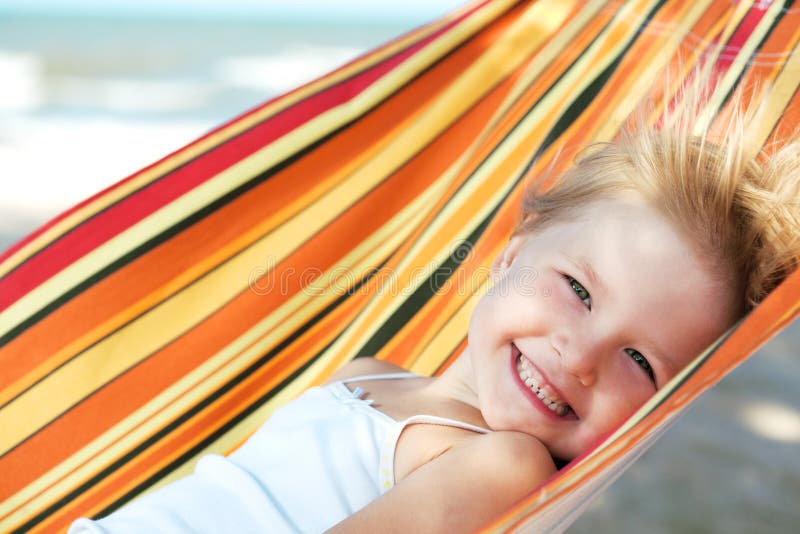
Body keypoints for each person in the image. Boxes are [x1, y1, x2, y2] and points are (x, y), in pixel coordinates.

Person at [69, 77, 800, 533]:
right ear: (511, 258)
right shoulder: (369, 371)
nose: (580, 357)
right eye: (578, 290)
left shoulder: (501, 465)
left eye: (639, 360)